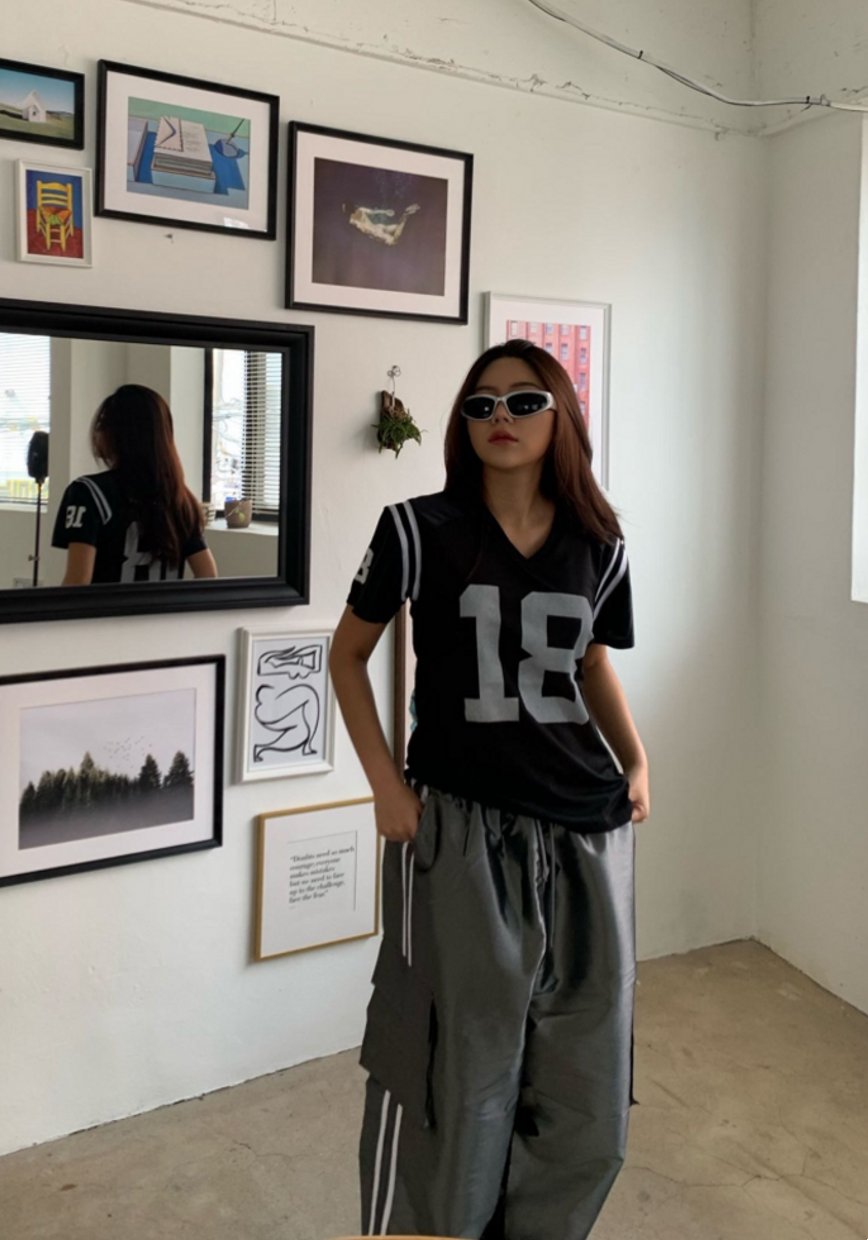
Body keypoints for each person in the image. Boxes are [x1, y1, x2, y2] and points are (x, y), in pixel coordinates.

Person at [328, 337, 650, 1239]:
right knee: (451, 1069)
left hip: (587, 830)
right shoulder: (416, 530)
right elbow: (347, 657)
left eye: (522, 401)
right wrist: (387, 786)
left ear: (561, 416)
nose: (499, 418)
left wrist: (636, 759)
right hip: (461, 826)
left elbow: (591, 664)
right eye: (480, 404)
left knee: (586, 1071)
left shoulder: (601, 547)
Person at [52, 383, 218, 585]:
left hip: (108, 606)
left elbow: (78, 580)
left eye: (102, 424)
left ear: (117, 433)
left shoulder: (87, 492)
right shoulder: (180, 499)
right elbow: (208, 575)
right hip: (164, 607)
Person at [344, 200, 421, 247]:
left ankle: (405, 215)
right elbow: (373, 212)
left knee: (394, 241)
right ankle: (404, 217)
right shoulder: (361, 209)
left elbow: (362, 228)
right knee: (397, 227)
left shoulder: (352, 221)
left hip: (376, 233)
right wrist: (385, 211)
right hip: (379, 227)